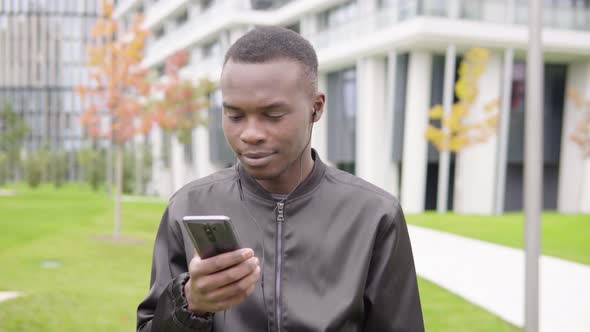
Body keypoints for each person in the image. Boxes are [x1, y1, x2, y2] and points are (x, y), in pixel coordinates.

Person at [137, 26, 424, 332]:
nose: (250, 134)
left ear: (316, 108)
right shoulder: (188, 207)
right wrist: (190, 303)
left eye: (272, 116)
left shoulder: (374, 216)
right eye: (234, 116)